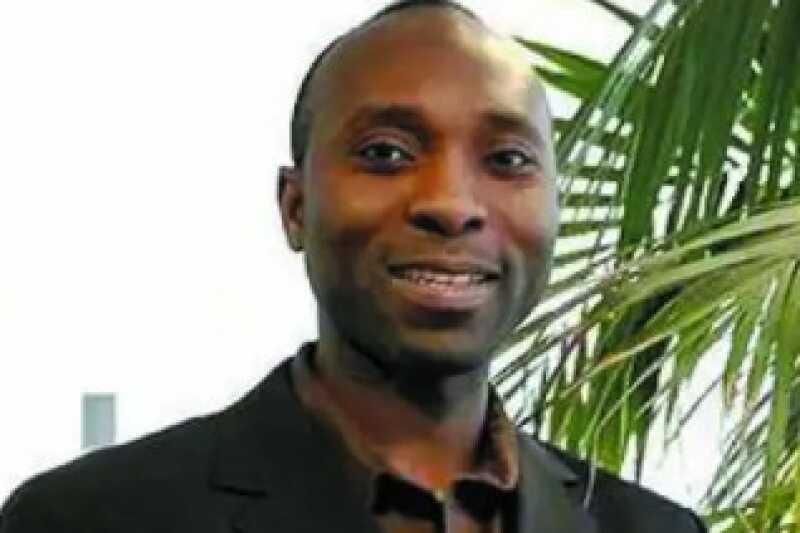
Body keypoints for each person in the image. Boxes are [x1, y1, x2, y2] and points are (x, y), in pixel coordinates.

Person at [0, 1, 707, 531]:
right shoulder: (87, 518)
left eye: (508, 159)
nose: (452, 204)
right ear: (295, 207)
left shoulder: (657, 530)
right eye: (386, 153)